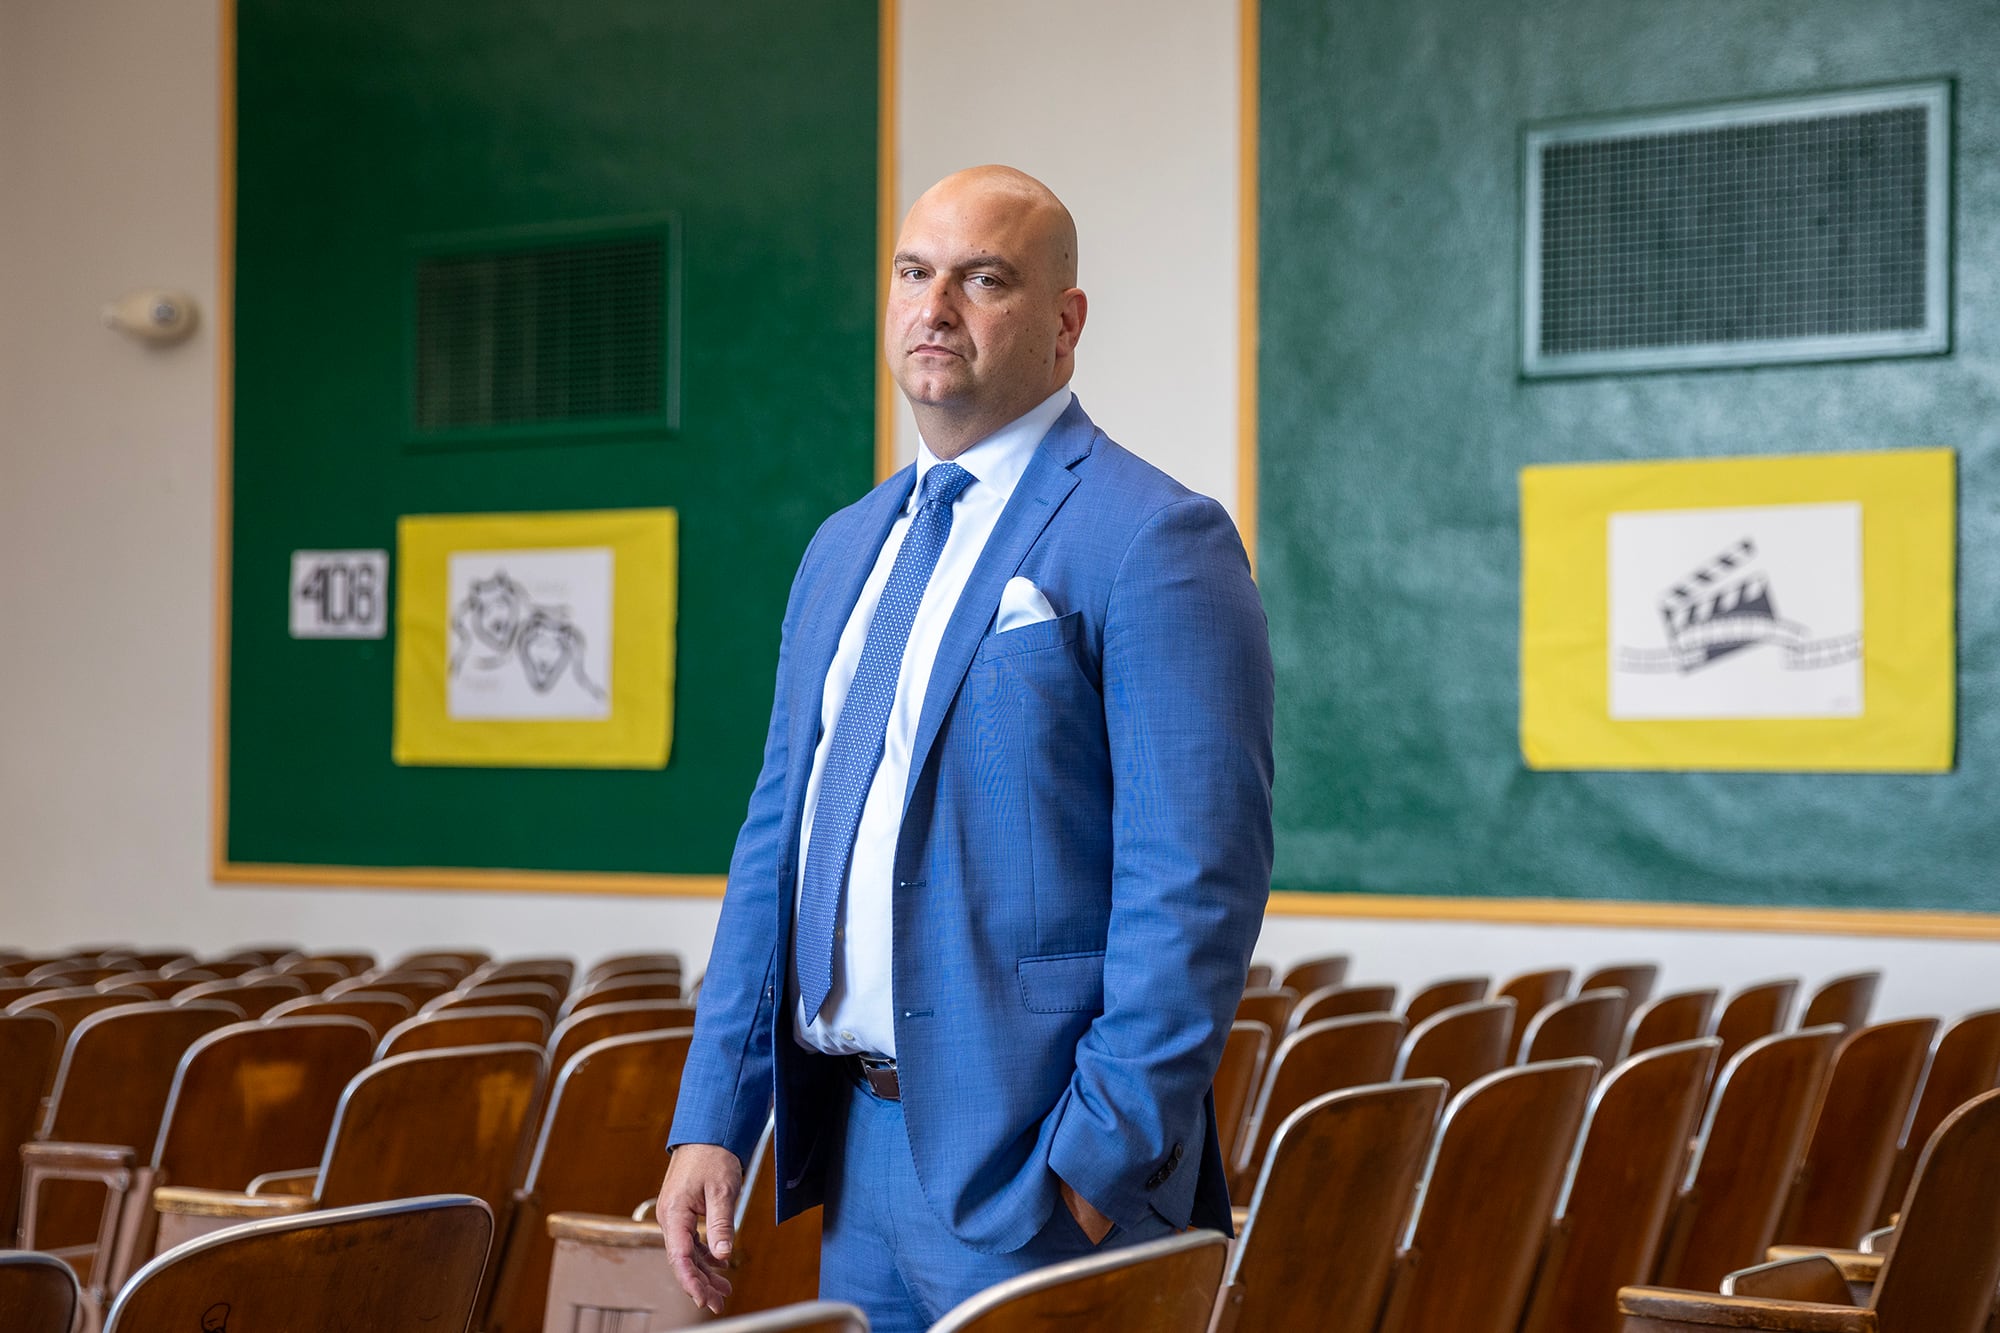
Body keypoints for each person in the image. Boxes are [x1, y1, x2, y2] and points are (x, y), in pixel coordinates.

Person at [657, 164, 1273, 1332]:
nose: (934, 306)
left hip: (1039, 1169)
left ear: (1065, 321)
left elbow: (1195, 881)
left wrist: (1098, 1159)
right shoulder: (846, 545)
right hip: (859, 1147)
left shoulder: (1155, 537)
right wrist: (711, 1116)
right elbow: (777, 840)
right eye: (912, 272)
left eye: (983, 279)